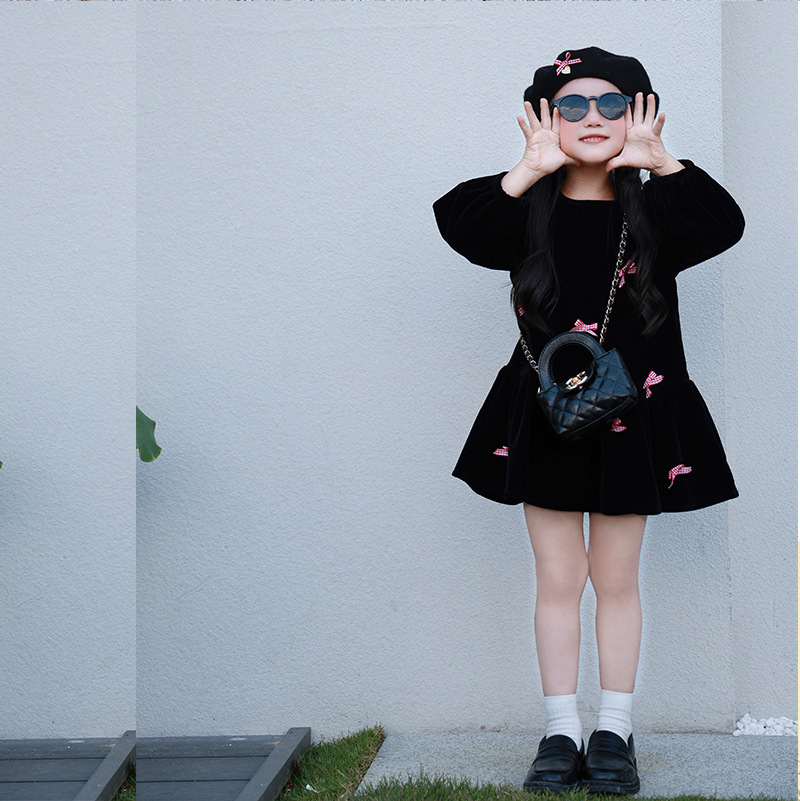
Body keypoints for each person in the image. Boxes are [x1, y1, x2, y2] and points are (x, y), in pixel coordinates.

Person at [432, 47, 744, 795]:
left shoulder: (658, 212)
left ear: (637, 113)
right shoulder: (523, 212)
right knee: (558, 576)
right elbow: (459, 223)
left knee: (616, 576)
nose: (594, 118)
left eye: (613, 104)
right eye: (573, 105)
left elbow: (724, 223)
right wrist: (526, 168)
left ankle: (614, 729)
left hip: (631, 415)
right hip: (547, 413)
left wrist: (662, 162)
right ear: (546, 116)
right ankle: (560, 728)